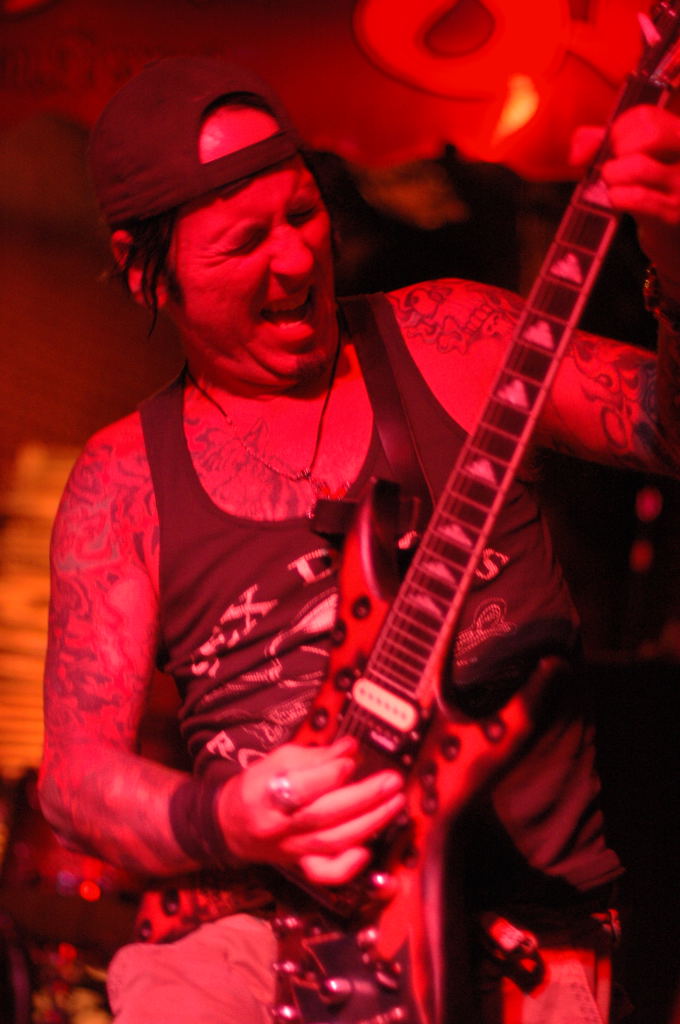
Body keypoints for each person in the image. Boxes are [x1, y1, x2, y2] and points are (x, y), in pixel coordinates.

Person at [38, 55, 680, 1024]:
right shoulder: (123, 479)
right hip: (268, 941)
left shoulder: (455, 339)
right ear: (143, 272)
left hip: (531, 944)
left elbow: (666, 430)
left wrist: (672, 259)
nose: (296, 261)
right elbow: (76, 777)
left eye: (301, 214)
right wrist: (228, 817)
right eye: (243, 242)